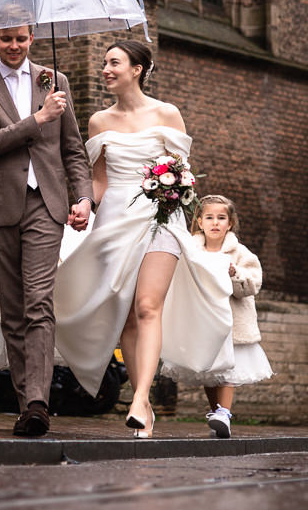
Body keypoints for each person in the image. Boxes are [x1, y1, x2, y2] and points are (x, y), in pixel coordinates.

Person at [51, 40, 234, 438]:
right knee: (127, 317)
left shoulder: (167, 114)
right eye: (103, 63)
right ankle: (144, 403)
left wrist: (176, 198)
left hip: (160, 219)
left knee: (149, 305)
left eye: (113, 62)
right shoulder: (99, 121)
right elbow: (98, 180)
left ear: (137, 69)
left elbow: (185, 177)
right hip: (114, 222)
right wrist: (83, 204)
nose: (105, 69)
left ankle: (138, 400)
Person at [0, 20, 93, 437]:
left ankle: (38, 403)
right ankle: (25, 403)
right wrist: (39, 118)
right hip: (0, 208)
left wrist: (84, 197)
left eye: (21, 38)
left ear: (32, 37)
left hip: (46, 205)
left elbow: (72, 148)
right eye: (6, 38)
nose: (14, 45)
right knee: (13, 311)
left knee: (39, 302)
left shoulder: (56, 81)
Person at [177, 194, 272, 437]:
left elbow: (253, 284)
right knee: (209, 372)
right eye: (209, 217)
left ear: (230, 223)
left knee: (228, 369)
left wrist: (235, 273)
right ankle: (216, 413)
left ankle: (224, 413)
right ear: (199, 221)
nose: (215, 223)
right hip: (203, 320)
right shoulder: (190, 250)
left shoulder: (240, 253)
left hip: (231, 322)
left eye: (221, 218)